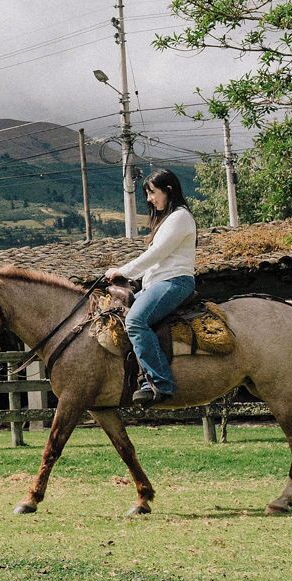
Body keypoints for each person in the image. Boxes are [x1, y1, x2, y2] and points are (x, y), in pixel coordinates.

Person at [105, 168, 196, 405]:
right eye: (147, 194)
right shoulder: (169, 219)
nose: (149, 199)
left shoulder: (180, 217)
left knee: (135, 321)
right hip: (158, 282)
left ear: (169, 190)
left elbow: (157, 254)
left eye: (152, 193)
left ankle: (159, 382)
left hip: (174, 282)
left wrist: (122, 270)